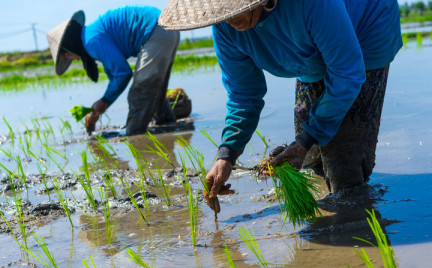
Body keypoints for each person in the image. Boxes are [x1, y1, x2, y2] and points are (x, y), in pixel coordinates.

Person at [159, 0, 403, 213]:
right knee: (310, 160)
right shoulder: (224, 27)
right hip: (310, 49)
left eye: (233, 9)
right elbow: (244, 95)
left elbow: (347, 74)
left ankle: (356, 223)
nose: (229, 19)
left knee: (344, 161)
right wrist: (227, 156)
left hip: (367, 28)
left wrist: (306, 140)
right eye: (221, 11)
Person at [47, 6, 180, 136]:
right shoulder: (92, 35)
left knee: (139, 94)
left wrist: (104, 101)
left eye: (67, 56)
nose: (74, 59)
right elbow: (114, 77)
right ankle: (169, 128)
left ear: (69, 48)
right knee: (156, 93)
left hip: (156, 31)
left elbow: (123, 73)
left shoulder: (92, 41)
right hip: (167, 27)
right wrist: (98, 109)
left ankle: (135, 137)